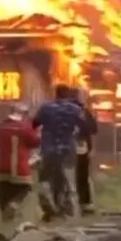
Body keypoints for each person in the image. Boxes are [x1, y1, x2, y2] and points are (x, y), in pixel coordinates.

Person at [32, 85, 86, 220]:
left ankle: (48, 206)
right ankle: (65, 209)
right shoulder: (75, 109)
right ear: (68, 95)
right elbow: (84, 126)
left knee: (47, 179)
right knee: (67, 179)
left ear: (55, 94)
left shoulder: (45, 108)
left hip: (49, 148)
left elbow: (34, 124)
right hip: (68, 149)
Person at [0, 103, 40, 222]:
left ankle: (5, 216)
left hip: (2, 166)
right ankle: (14, 204)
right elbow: (35, 142)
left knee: (4, 192)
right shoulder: (25, 128)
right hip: (19, 166)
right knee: (25, 188)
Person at [70, 88, 98, 215]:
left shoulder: (59, 110)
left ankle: (66, 206)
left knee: (66, 178)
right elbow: (93, 129)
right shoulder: (83, 111)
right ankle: (85, 204)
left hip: (63, 148)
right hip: (81, 148)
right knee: (82, 176)